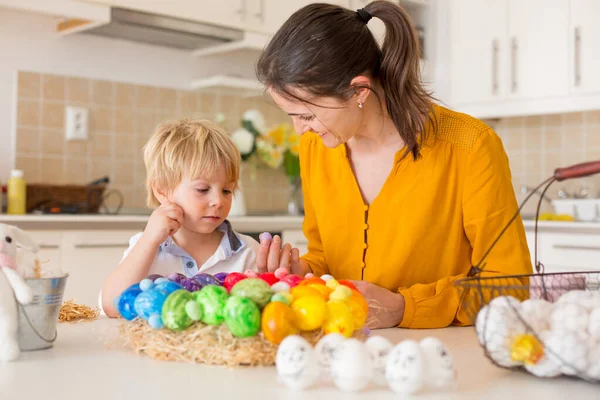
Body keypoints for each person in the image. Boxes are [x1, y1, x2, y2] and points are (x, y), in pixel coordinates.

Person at [254, 1, 532, 329]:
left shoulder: (470, 147)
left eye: (308, 115)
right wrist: (300, 272)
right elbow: (325, 258)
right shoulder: (316, 147)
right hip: (342, 354)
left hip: (442, 360)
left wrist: (405, 308)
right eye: (292, 116)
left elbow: (510, 285)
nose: (300, 130)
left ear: (359, 90)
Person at [101, 119, 260, 317]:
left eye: (227, 190)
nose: (218, 201)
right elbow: (112, 306)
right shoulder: (146, 246)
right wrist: (149, 240)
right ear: (162, 190)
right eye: (202, 189)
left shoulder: (248, 252)